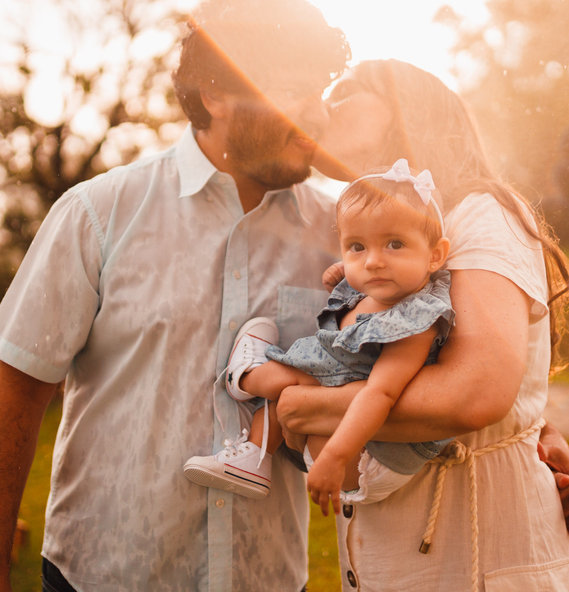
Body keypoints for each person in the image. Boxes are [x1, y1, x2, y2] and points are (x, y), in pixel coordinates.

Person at [0, 0, 351, 592]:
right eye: (293, 89)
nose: (316, 114)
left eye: (322, 90)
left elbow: (422, 344)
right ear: (216, 92)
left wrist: (538, 441)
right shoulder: (99, 214)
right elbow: (17, 395)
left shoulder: (340, 234)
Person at [276, 59, 569, 592]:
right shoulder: (365, 246)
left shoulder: (478, 214)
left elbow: (477, 391)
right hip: (401, 586)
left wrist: (309, 408)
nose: (323, 104)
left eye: (345, 92)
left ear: (407, 109)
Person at [183, 161, 456, 512]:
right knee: (312, 366)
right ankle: (253, 458)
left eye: (394, 243)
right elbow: (362, 279)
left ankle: (247, 377)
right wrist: (345, 278)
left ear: (435, 255)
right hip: (347, 439)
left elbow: (381, 393)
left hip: (361, 456)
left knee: (297, 370)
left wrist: (335, 457)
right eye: (357, 246)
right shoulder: (384, 289)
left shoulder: (416, 320)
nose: (372, 261)